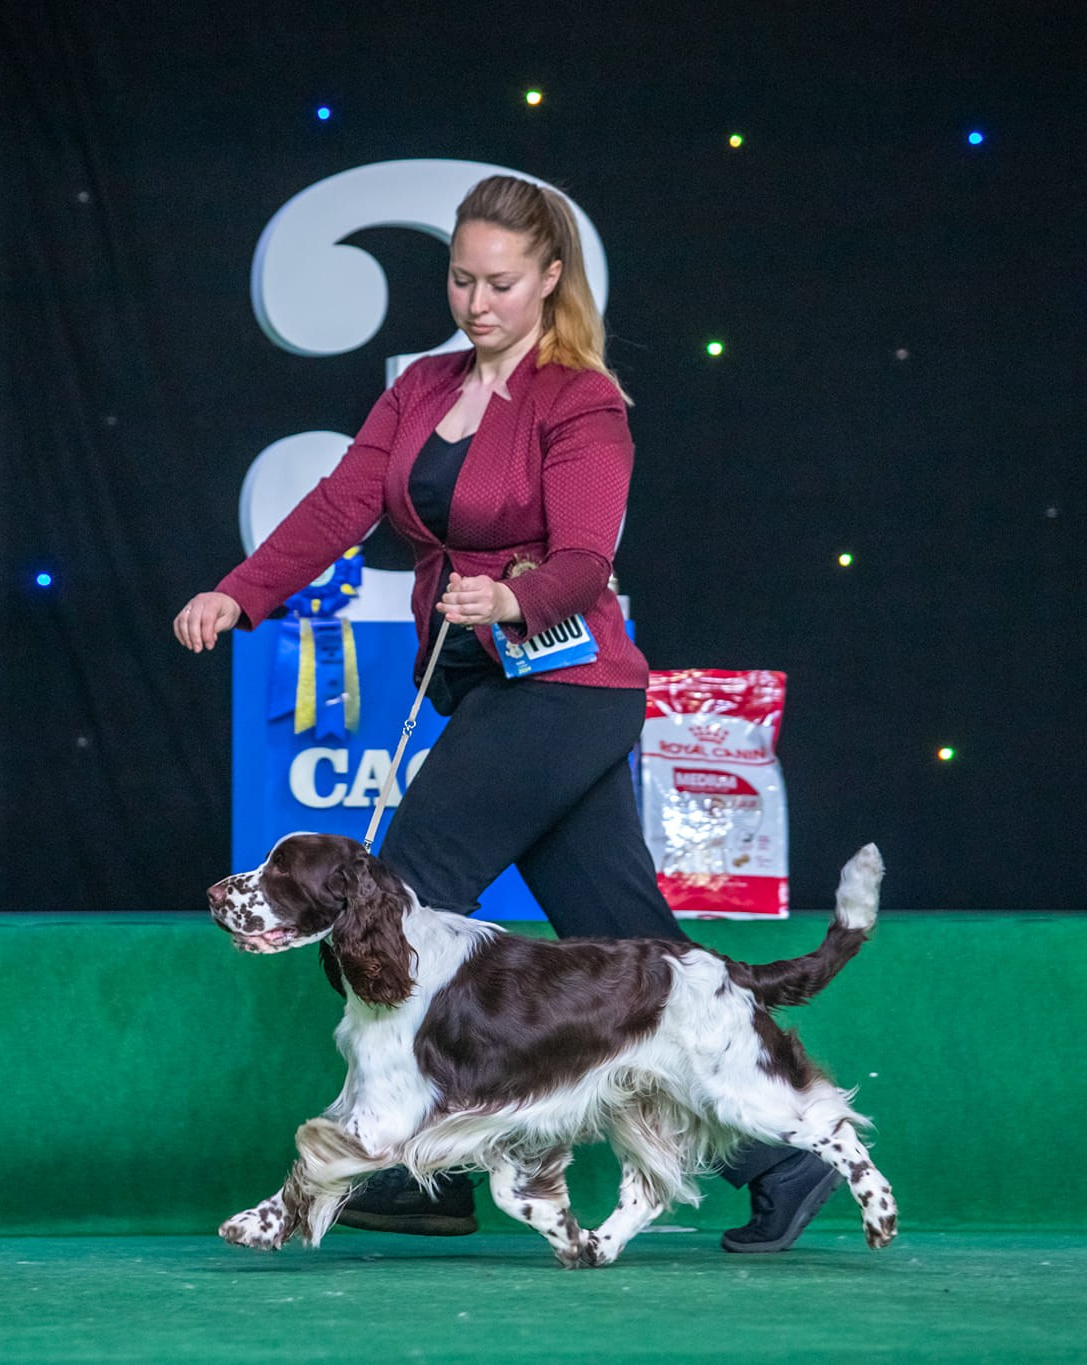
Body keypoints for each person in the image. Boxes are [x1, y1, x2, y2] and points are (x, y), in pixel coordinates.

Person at [174, 174, 840, 1253]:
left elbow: (584, 560)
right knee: (626, 941)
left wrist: (510, 596)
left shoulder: (582, 402)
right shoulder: (424, 387)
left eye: (498, 282)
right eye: (459, 278)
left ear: (550, 280)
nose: (475, 302)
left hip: (569, 693)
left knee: (386, 907)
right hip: (492, 686)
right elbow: (345, 501)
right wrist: (240, 590)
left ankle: (420, 1173)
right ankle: (783, 1155)